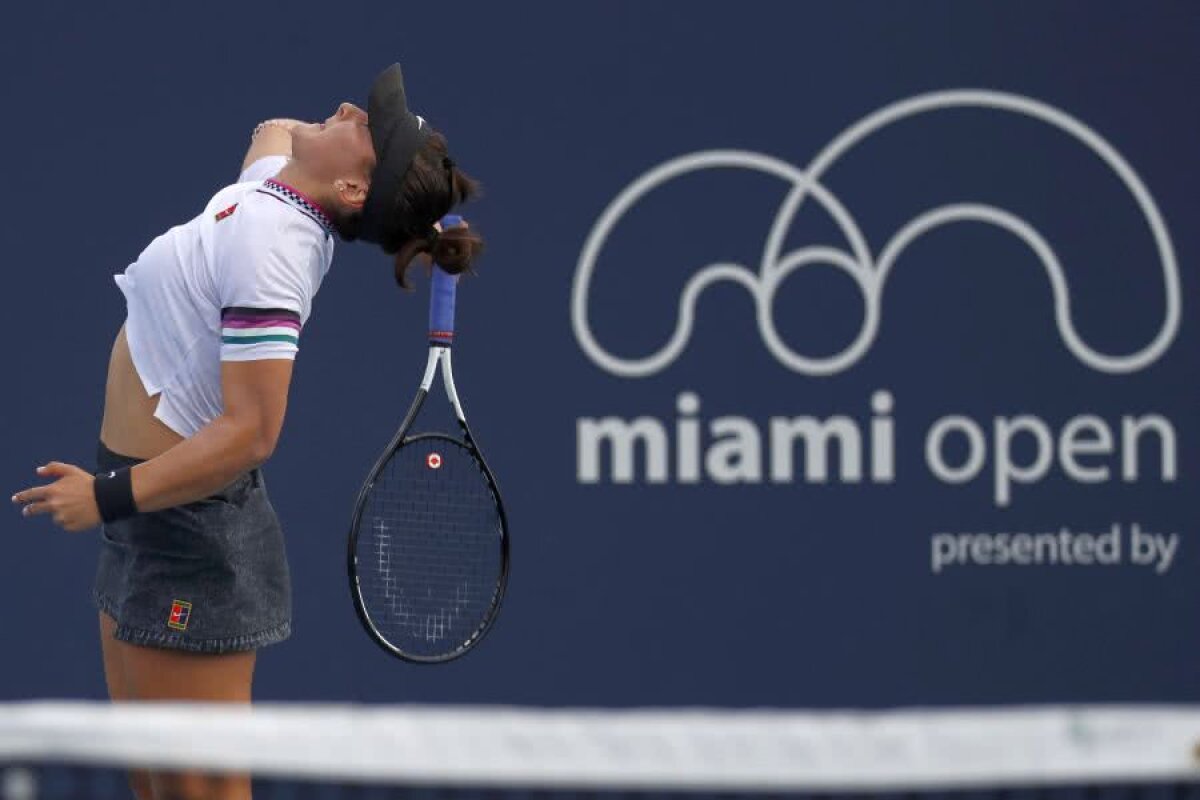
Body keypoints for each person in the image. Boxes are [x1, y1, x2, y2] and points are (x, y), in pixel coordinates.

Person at [10, 64, 482, 800]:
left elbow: (252, 433)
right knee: (157, 783)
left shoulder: (275, 252)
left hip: (186, 535)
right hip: (147, 520)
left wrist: (106, 498)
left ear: (355, 190)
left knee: (204, 791)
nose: (350, 107)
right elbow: (276, 128)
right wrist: (413, 196)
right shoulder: (273, 191)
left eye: (369, 127)